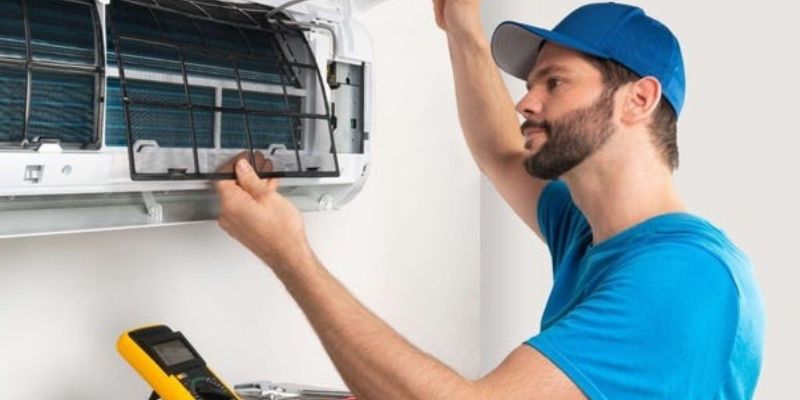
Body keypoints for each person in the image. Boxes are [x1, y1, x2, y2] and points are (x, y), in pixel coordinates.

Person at [215, 1, 765, 398]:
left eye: (554, 83)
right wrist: (462, 28)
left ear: (637, 100)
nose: (526, 100)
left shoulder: (684, 278)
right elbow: (503, 151)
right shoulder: (590, 228)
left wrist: (289, 256)